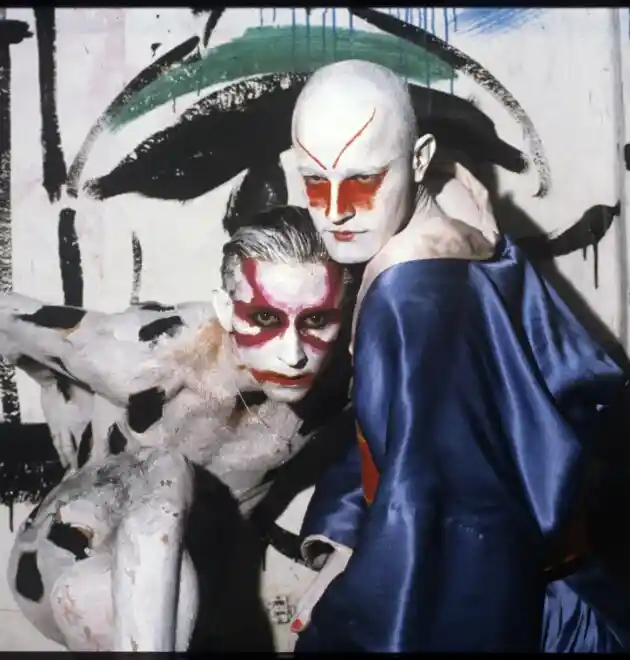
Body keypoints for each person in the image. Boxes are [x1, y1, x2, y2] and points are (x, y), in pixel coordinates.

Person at [288, 59, 630, 652]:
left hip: (530, 616)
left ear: (420, 159)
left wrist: (338, 635)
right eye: (316, 182)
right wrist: (347, 530)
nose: (336, 209)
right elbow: (411, 439)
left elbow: (442, 533)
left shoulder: (411, 301)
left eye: (363, 180)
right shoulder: (470, 241)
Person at [0, 205, 352, 652]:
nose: (294, 353)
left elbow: (402, 450)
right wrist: (56, 387)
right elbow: (7, 314)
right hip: (70, 557)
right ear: (226, 309)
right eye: (265, 318)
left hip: (190, 596)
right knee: (164, 471)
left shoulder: (343, 379)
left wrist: (344, 547)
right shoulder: (148, 357)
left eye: (316, 320)